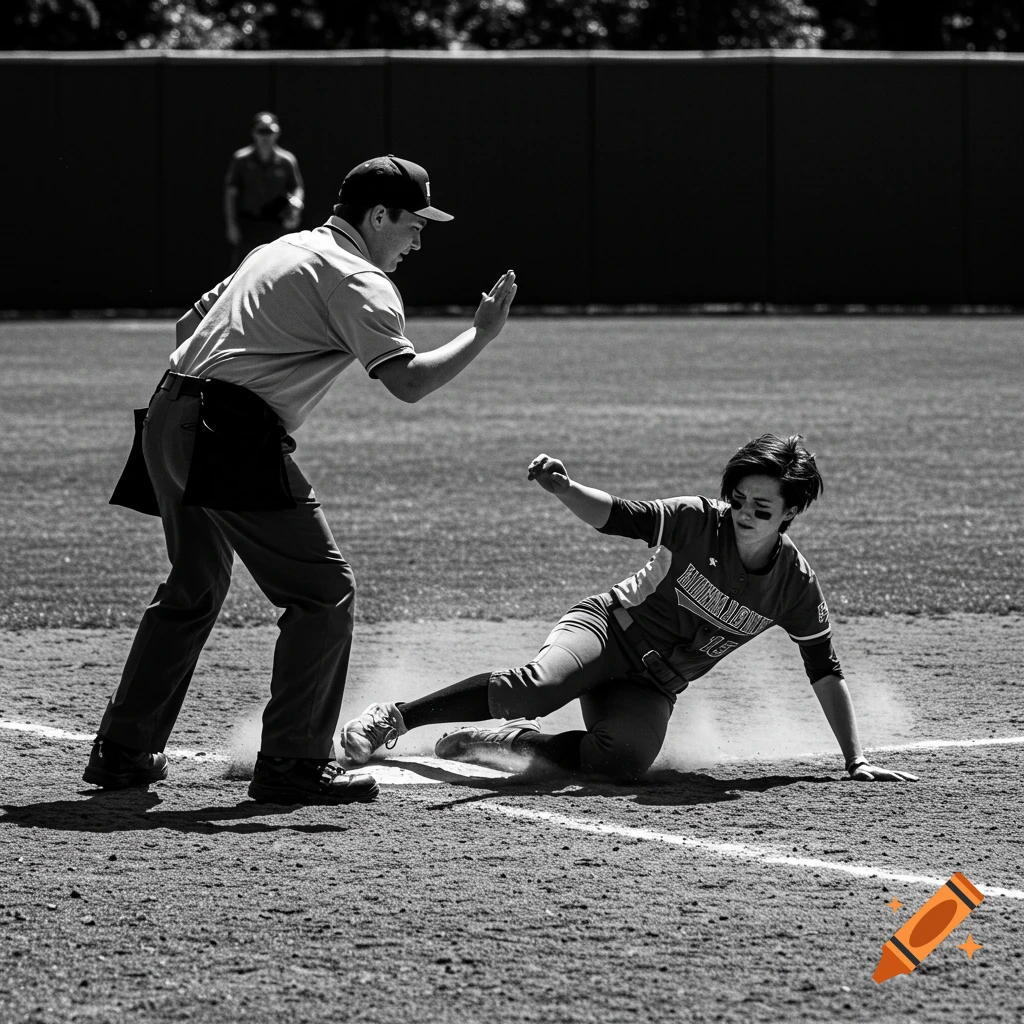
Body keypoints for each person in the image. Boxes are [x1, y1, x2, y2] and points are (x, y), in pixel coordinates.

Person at [89, 155, 518, 806]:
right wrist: (481, 335)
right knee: (323, 592)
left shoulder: (280, 248)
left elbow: (187, 327)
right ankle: (293, 761)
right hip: (228, 430)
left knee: (193, 587)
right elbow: (407, 382)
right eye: (414, 224)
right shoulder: (358, 278)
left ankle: (122, 751)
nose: (419, 240)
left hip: (169, 411)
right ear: (379, 216)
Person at [341, 435, 919, 784]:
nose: (743, 512)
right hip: (606, 631)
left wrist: (856, 760)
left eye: (761, 507)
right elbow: (621, 515)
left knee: (623, 762)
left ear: (791, 513)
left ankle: (504, 742)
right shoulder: (698, 519)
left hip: (651, 685)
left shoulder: (794, 585)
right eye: (738, 498)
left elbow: (824, 668)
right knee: (538, 685)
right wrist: (565, 489)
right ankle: (397, 716)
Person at [224, 111, 305, 267]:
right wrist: (231, 225)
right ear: (254, 133)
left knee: (277, 268)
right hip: (249, 225)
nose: (265, 137)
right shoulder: (241, 159)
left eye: (269, 132)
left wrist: (295, 208)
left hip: (276, 226)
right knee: (245, 269)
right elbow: (230, 194)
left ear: (277, 133)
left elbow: (297, 187)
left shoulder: (287, 160)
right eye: (262, 132)